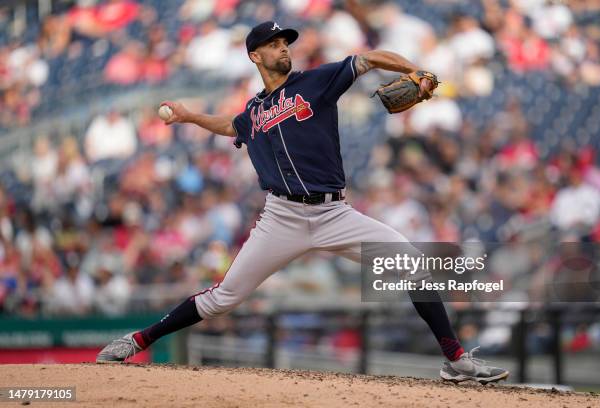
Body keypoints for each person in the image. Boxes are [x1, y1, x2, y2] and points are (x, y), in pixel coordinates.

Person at [96, 21, 509, 384]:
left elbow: (367, 58)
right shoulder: (254, 111)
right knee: (223, 299)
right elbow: (230, 125)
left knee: (412, 264)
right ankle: (137, 340)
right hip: (282, 218)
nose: (284, 48)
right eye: (275, 44)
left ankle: (456, 361)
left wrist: (411, 69)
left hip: (334, 213)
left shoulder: (315, 82)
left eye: (286, 42)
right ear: (255, 55)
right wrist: (189, 116)